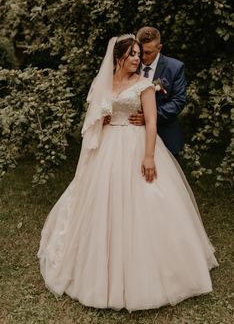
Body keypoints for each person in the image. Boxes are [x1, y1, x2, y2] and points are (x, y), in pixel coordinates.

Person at [38, 34, 218, 312]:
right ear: (119, 56)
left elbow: (152, 120)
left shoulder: (145, 85)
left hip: (137, 145)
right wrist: (103, 118)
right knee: (101, 205)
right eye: (132, 54)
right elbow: (92, 116)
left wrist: (148, 156)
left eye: (139, 53)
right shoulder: (103, 83)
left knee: (147, 203)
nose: (137, 58)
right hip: (108, 148)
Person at [128, 26, 187, 156]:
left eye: (148, 53)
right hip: (131, 133)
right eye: (140, 51)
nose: (142, 57)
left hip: (165, 132)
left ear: (159, 48)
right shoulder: (129, 65)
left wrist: (150, 117)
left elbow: (178, 101)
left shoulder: (175, 67)